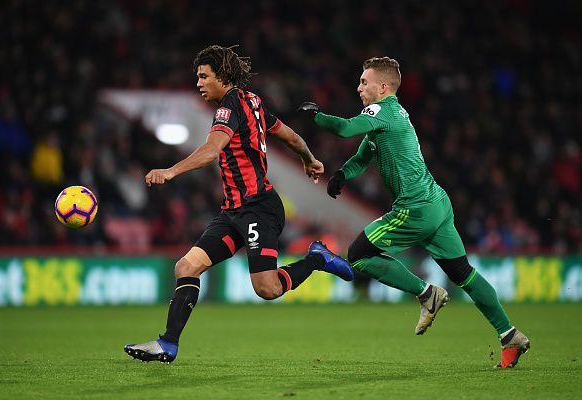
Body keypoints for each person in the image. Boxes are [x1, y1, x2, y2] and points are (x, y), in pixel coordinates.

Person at [124, 45, 354, 363]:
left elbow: (212, 149)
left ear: (223, 77)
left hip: (259, 207)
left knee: (268, 289)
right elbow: (289, 136)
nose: (199, 83)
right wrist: (310, 159)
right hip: (233, 211)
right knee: (186, 267)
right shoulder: (254, 102)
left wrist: (171, 170)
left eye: (205, 76)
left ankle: (317, 259)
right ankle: (168, 344)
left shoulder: (229, 106)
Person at [298, 56, 530, 369]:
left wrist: (317, 116)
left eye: (364, 82)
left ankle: (426, 293)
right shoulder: (391, 116)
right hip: (436, 202)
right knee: (464, 274)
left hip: (414, 208)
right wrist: (342, 175)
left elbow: (345, 128)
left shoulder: (381, 110)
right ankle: (509, 335)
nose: (358, 87)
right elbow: (363, 154)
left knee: (359, 254)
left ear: (382, 87)